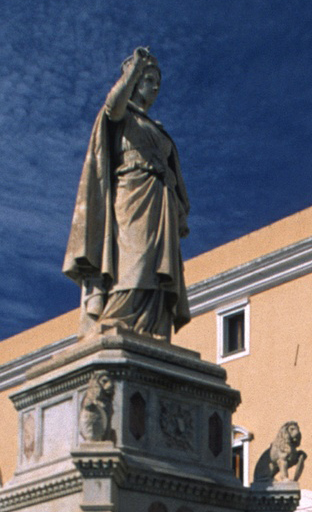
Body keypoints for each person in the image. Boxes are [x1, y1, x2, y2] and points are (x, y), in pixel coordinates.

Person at [63, 47, 190, 340]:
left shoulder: (156, 128)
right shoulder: (123, 114)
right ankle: (118, 315)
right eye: (149, 80)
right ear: (134, 82)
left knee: (157, 265)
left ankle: (152, 325)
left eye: (158, 82)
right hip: (131, 193)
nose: (155, 87)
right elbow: (113, 107)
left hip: (160, 197)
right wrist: (133, 69)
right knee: (134, 256)